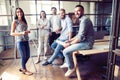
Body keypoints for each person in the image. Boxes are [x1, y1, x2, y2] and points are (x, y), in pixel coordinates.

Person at [62, 5, 95, 77]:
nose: (76, 13)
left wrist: (70, 44)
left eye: (78, 11)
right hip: (84, 41)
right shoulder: (83, 19)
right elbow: (78, 35)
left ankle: (71, 68)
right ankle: (68, 63)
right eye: (75, 11)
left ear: (83, 11)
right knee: (66, 47)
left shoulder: (85, 20)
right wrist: (70, 40)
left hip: (87, 43)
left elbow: (80, 37)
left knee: (65, 51)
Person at [10, 7, 33, 75]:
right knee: (23, 56)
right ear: (16, 13)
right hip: (20, 41)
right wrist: (21, 33)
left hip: (26, 40)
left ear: (22, 12)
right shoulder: (15, 21)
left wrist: (27, 31)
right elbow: (12, 33)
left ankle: (22, 67)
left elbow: (24, 30)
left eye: (20, 11)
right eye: (17, 12)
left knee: (28, 56)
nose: (19, 13)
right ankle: (24, 70)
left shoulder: (24, 20)